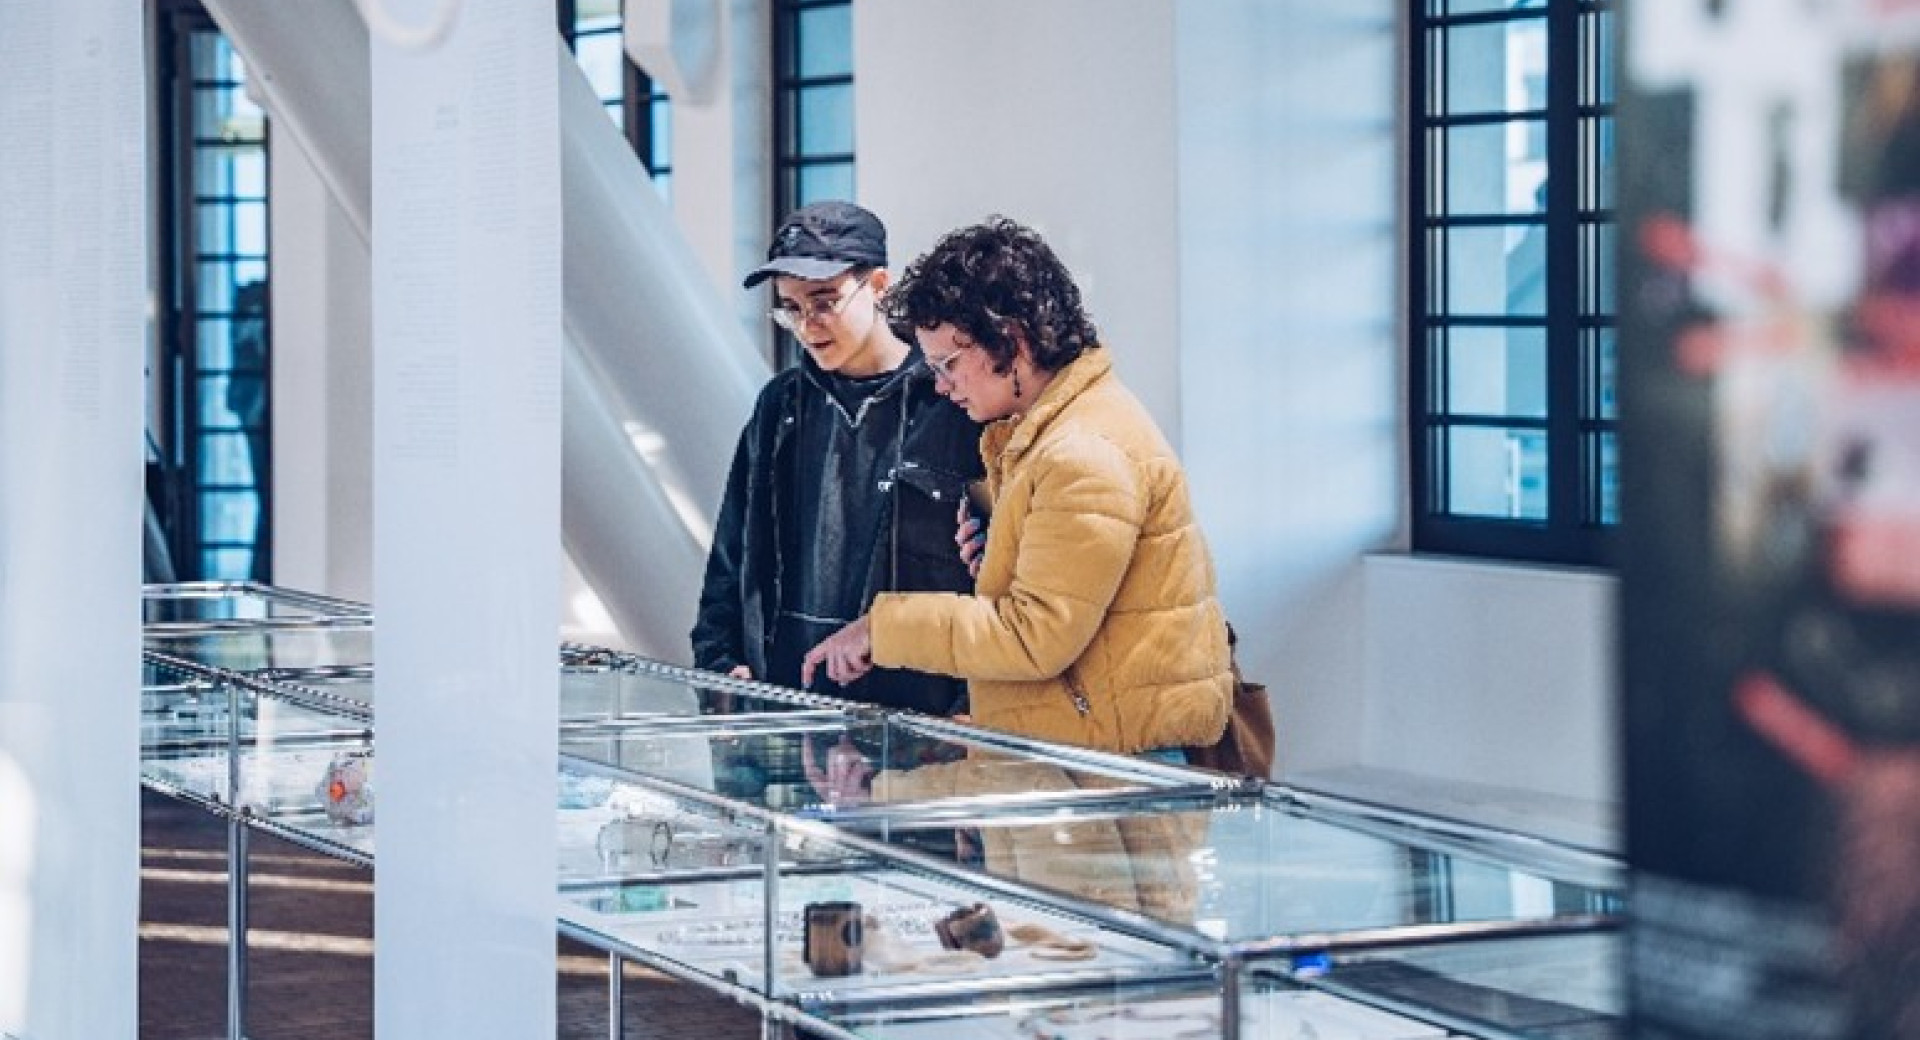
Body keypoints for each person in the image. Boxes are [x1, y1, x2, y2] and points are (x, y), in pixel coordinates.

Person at [801, 216, 1232, 757]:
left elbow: (1034, 636)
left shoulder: (1081, 453)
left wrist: (880, 629)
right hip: (1094, 754)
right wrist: (1000, 561)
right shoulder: (1051, 434)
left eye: (949, 363)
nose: (941, 384)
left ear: (1012, 341)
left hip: (1112, 776)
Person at [690, 201, 982, 717]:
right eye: (791, 308)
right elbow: (731, 556)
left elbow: (991, 576)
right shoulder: (778, 406)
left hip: (915, 725)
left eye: (824, 302)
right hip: (785, 713)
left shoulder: (953, 403)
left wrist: (968, 708)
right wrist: (719, 669)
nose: (808, 326)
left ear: (878, 285)